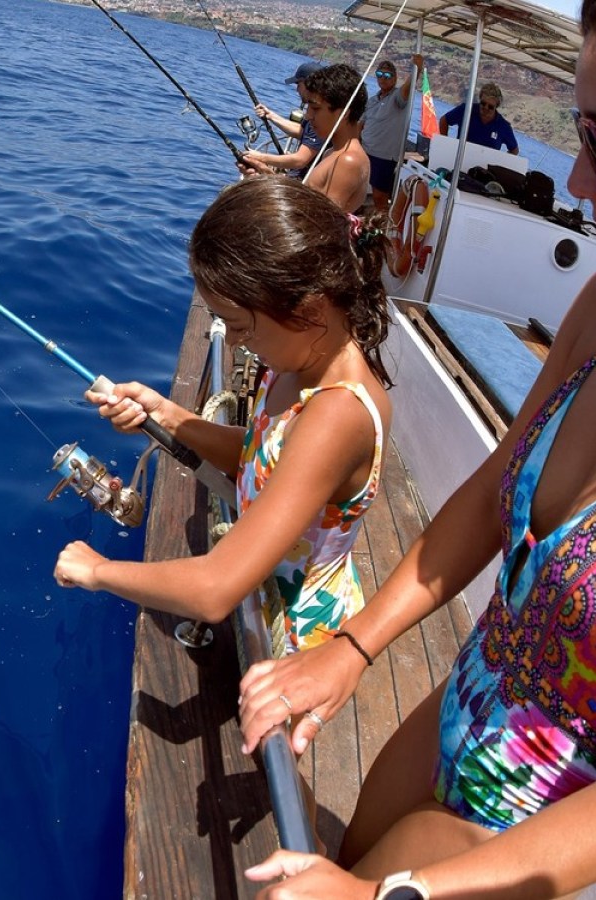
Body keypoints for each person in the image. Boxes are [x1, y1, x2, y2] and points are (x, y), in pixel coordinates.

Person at [237, 5, 596, 895]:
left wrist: (397, 895)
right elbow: (488, 493)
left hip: (525, 840)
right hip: (465, 698)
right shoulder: (593, 315)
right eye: (582, 133)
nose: (580, 181)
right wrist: (352, 648)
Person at [53, 176, 393, 658]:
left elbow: (215, 588)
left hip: (293, 644)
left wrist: (96, 570)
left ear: (309, 309)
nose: (233, 343)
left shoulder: (338, 414)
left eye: (239, 326)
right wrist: (166, 413)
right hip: (261, 594)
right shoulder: (302, 361)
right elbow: (261, 453)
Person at [242, 64, 371, 213]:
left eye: (315, 108)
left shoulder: (347, 161)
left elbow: (320, 223)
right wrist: (267, 175)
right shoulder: (332, 153)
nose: (308, 116)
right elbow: (307, 204)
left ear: (343, 113)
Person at [361, 55, 424, 213]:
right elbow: (360, 125)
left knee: (379, 197)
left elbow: (407, 88)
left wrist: (417, 70)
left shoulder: (398, 98)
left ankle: (384, 229)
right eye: (379, 75)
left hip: (383, 157)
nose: (383, 79)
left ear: (395, 78)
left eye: (388, 75)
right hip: (364, 151)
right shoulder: (372, 100)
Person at [243, 61, 326, 178]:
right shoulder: (313, 112)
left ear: (309, 84)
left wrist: (260, 157)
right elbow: (301, 131)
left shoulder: (321, 118)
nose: (297, 89)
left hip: (300, 181)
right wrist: (270, 115)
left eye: (298, 84)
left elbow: (300, 160)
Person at [438, 82, 520, 154]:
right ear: (480, 99)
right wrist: (445, 146)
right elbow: (444, 121)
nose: (486, 108)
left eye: (490, 107)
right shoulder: (466, 110)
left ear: (496, 107)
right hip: (459, 161)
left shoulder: (503, 126)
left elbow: (514, 150)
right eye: (483, 103)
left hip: (484, 169)